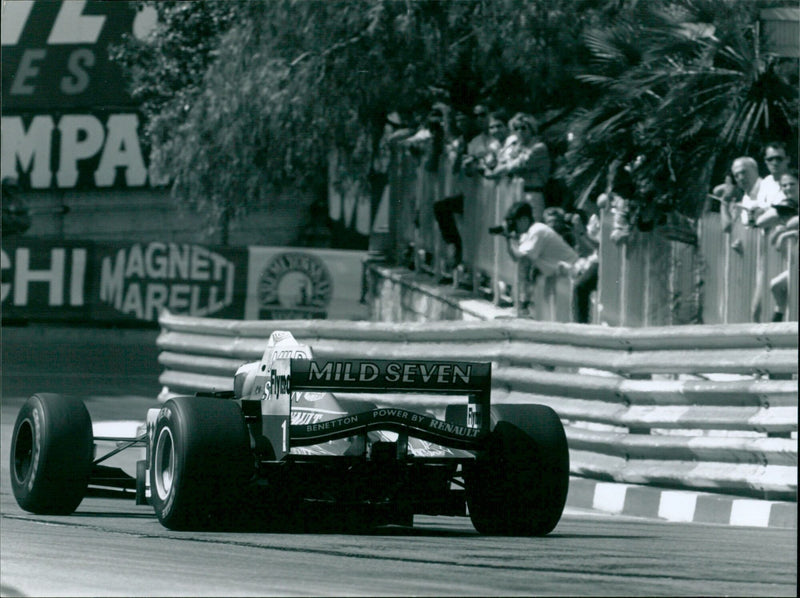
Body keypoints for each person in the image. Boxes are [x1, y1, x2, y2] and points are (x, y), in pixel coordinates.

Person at [503, 200, 578, 315]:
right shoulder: (530, 233)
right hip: (560, 275)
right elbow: (517, 258)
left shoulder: (537, 231)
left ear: (524, 219)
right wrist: (508, 239)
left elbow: (522, 258)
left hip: (570, 274)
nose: (514, 226)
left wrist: (509, 238)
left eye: (515, 222)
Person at [484, 112, 550, 221]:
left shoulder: (539, 147)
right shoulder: (516, 148)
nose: (520, 131)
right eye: (516, 128)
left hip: (532, 194)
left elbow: (518, 164)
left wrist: (499, 169)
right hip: (516, 193)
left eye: (523, 128)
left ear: (531, 129)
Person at [764, 169, 799, 322]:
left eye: (792, 184)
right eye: (784, 185)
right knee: (776, 285)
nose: (787, 188)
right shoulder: (789, 206)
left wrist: (787, 232)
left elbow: (793, 224)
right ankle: (779, 317)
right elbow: (772, 239)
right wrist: (781, 229)